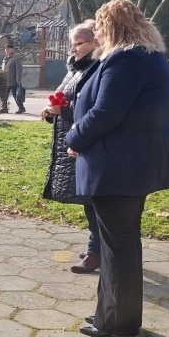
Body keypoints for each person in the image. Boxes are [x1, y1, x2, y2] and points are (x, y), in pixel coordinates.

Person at [65, 0, 169, 337]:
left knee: (118, 247)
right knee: (121, 245)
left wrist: (74, 137)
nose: (96, 34)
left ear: (112, 27)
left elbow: (105, 113)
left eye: (99, 28)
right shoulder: (149, 57)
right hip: (129, 165)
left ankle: (118, 323)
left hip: (117, 166)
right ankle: (110, 312)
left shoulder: (127, 59)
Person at [41, 20, 102, 274]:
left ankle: (96, 251)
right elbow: (65, 99)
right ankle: (97, 247)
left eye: (80, 43)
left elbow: (90, 109)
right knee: (89, 200)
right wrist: (51, 111)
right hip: (72, 142)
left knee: (95, 201)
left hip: (85, 143)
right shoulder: (75, 68)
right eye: (72, 44)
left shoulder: (96, 68)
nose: (73, 49)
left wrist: (63, 110)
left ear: (95, 42)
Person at [0, 43, 25, 114]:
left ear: (12, 49)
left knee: (16, 94)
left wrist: (18, 80)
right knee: (4, 95)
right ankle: (4, 108)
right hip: (6, 80)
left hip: (14, 81)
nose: (6, 50)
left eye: (8, 49)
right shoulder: (5, 58)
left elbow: (19, 69)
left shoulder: (15, 58)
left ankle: (21, 108)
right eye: (5, 49)